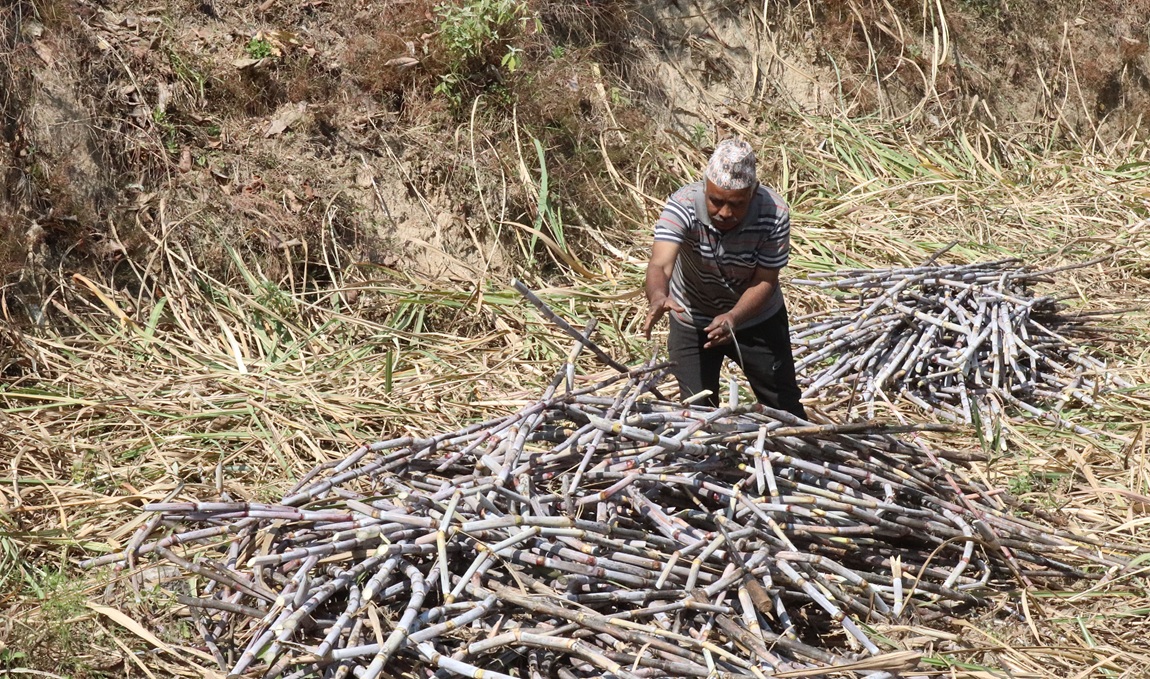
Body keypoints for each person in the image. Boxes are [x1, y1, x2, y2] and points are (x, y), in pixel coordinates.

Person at [642, 138, 807, 419]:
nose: (725, 213)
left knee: (784, 407)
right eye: (716, 201)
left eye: (737, 204)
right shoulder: (683, 205)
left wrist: (734, 317)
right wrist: (658, 295)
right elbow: (660, 263)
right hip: (692, 318)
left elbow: (766, 280)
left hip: (756, 319)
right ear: (705, 186)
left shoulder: (774, 213)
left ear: (753, 194)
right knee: (697, 413)